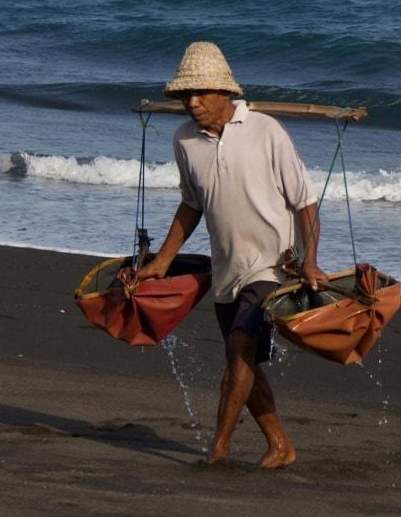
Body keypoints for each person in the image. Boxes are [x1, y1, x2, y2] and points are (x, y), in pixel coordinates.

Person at [136, 41, 327, 469]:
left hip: (272, 268)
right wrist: (163, 260)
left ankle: (218, 449)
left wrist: (310, 260)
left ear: (226, 93)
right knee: (246, 362)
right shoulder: (185, 140)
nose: (193, 103)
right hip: (226, 270)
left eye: (201, 93)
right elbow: (192, 204)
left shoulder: (266, 131)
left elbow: (305, 202)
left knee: (241, 348)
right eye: (186, 95)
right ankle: (280, 445)